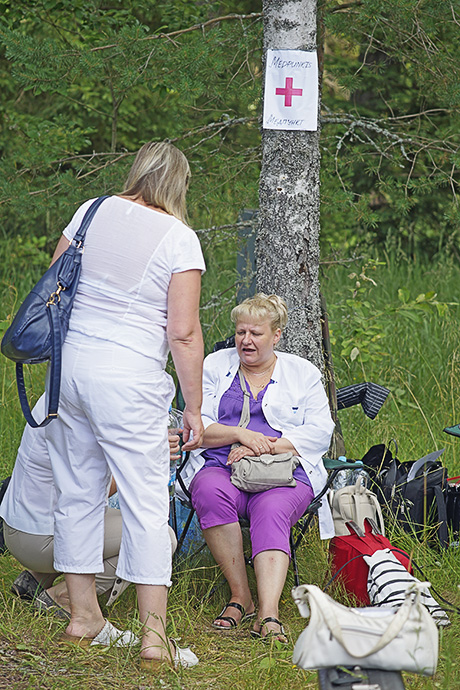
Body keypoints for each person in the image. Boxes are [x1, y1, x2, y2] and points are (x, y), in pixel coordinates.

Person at [44, 141, 205, 667]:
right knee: (145, 503)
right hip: (127, 378)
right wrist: (194, 408)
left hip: (68, 370)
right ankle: (154, 640)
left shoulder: (90, 210)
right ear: (179, 185)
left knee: (76, 491)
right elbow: (182, 333)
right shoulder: (180, 240)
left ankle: (83, 616)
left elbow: (55, 284)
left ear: (137, 171)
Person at [179, 293, 335, 642]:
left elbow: (320, 431)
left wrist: (261, 447)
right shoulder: (214, 365)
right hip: (221, 463)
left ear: (276, 335)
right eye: (240, 332)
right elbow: (197, 424)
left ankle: (268, 613)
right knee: (208, 490)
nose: (245, 341)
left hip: (284, 471)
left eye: (256, 333)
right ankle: (241, 596)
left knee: (272, 508)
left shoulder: (302, 373)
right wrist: (239, 434)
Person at [0, 395, 180, 625]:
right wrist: (150, 455)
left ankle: (35, 580)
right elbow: (91, 495)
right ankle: (63, 598)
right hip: (41, 538)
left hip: (21, 525)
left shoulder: (64, 388)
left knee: (106, 519)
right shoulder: (93, 406)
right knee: (161, 537)